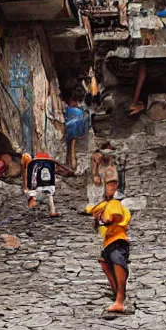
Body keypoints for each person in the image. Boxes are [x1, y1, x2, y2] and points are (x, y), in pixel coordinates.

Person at [83, 171, 131, 314]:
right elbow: (92, 209)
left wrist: (111, 220)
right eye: (110, 183)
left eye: (114, 184)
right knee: (105, 262)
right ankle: (118, 294)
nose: (112, 186)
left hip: (118, 240)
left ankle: (120, 300)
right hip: (108, 242)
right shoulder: (104, 205)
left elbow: (121, 218)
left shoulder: (116, 204)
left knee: (117, 260)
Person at [64, 95, 90, 169]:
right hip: (78, 133)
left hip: (71, 132)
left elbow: (68, 120)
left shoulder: (71, 110)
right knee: (72, 150)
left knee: (70, 150)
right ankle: (72, 164)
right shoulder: (81, 111)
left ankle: (71, 164)